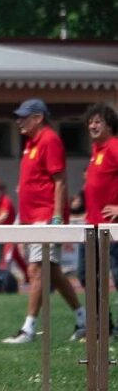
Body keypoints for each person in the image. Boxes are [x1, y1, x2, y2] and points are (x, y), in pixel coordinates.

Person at [2, 99, 86, 344]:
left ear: (38, 117)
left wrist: (57, 217)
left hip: (46, 216)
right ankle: (83, 320)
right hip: (32, 217)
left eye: (23, 117)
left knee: (38, 270)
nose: (18, 121)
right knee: (53, 271)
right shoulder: (30, 143)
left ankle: (28, 329)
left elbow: (59, 181)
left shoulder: (49, 140)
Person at [79, 103, 118, 309]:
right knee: (86, 275)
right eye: (90, 122)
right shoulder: (96, 150)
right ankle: (103, 326)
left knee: (116, 276)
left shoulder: (114, 147)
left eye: (97, 122)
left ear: (109, 125)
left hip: (111, 229)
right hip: (92, 226)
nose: (92, 126)